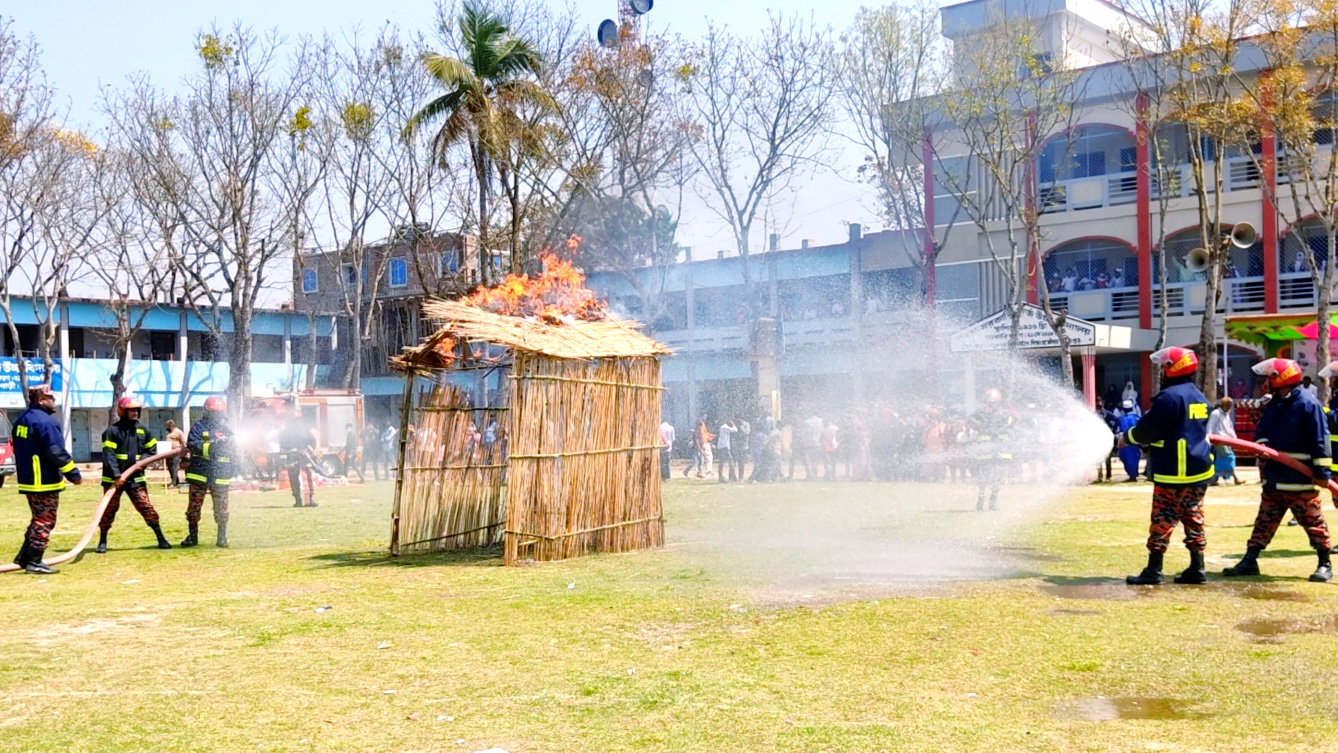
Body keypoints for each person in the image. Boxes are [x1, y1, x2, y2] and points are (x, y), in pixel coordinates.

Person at [1223, 357, 1333, 582]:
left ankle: (1325, 563)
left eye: (1269, 377)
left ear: (1281, 379)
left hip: (1299, 479)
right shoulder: (1273, 405)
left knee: (1314, 523)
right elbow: (1262, 432)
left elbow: (1320, 440)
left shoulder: (1307, 405)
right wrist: (1261, 446)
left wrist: (1322, 472)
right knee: (1264, 522)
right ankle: (1250, 561)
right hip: (1275, 478)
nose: (1265, 382)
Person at [1121, 347, 1214, 585]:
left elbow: (1148, 430)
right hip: (1198, 471)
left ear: (1174, 368)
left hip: (1174, 471)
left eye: (1165, 365)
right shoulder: (1199, 396)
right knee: (1194, 517)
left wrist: (1126, 438)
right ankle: (1197, 567)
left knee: (1162, 518)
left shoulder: (1169, 397)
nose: (1162, 370)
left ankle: (1154, 570)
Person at [11, 385, 82, 575]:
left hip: (29, 480)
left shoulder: (22, 420)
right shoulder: (45, 422)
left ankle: (25, 557)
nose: (54, 401)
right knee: (45, 519)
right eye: (51, 398)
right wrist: (73, 474)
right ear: (41, 400)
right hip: (44, 480)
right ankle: (34, 561)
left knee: (38, 518)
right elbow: (56, 451)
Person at [97, 396, 171, 553]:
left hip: (135, 479)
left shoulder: (144, 431)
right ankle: (102, 541)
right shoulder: (112, 431)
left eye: (137, 410)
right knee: (108, 510)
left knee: (146, 507)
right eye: (132, 410)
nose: (135, 413)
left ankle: (161, 539)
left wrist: (141, 463)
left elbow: (151, 450)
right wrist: (117, 475)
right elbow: (109, 455)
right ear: (122, 411)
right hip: (113, 479)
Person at [183, 396, 233, 548]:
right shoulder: (198, 427)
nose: (217, 416)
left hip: (220, 475)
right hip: (200, 474)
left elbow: (235, 449)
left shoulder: (226, 429)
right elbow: (192, 444)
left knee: (222, 509)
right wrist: (211, 447)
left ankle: (222, 538)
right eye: (214, 413)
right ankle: (193, 537)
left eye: (219, 413)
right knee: (194, 508)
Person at [968, 388, 1013, 511]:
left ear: (998, 402)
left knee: (998, 477)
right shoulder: (980, 414)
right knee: (983, 476)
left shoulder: (1005, 414)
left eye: (992, 403)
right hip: (985, 452)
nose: (990, 405)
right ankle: (981, 497)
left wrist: (997, 430)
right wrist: (981, 426)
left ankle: (993, 499)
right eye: (988, 402)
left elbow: (1010, 423)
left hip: (1001, 452)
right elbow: (970, 420)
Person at [283, 411, 320, 508]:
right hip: (296, 457)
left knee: (302, 479)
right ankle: (303, 500)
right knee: (302, 478)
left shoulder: (288, 431)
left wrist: (307, 451)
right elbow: (313, 441)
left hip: (300, 457)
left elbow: (282, 446)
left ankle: (304, 500)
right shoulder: (295, 430)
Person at [1207, 397, 1242, 485]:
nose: (1229, 407)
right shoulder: (1216, 413)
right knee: (1230, 457)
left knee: (1220, 460)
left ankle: (1213, 479)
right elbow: (1210, 426)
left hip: (1227, 441)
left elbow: (1229, 428)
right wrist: (1209, 439)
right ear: (1223, 405)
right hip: (1219, 440)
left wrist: (1234, 438)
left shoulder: (1226, 414)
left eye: (1230, 406)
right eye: (1228, 405)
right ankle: (1236, 478)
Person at [165, 419, 186, 487]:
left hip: (176, 452)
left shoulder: (178, 432)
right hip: (168, 452)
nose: (166, 427)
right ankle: (176, 481)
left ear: (171, 425)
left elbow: (183, 442)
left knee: (174, 467)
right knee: (169, 467)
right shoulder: (168, 432)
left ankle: (173, 483)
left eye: (167, 426)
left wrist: (182, 451)